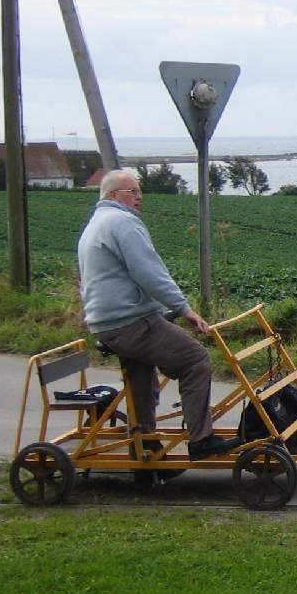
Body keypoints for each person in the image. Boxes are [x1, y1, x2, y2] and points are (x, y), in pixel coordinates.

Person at [77, 169, 243, 460]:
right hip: (128, 320)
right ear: (114, 195)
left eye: (140, 191)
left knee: (142, 372)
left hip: (106, 323)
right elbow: (149, 273)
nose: (140, 197)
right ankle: (201, 440)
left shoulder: (97, 223)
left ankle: (144, 441)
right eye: (133, 192)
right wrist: (183, 309)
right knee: (195, 360)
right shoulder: (122, 223)